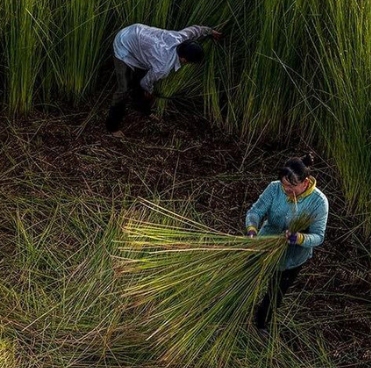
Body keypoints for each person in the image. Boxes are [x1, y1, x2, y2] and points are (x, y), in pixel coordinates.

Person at [244, 153, 329, 335]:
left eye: (291, 186)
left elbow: (318, 236)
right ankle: (237, 309)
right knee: (246, 280)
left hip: (292, 258)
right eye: (284, 185)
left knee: (275, 293)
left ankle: (261, 323)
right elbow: (255, 211)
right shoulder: (274, 188)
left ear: (305, 183)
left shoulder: (319, 202)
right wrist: (252, 229)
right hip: (264, 245)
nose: (286, 189)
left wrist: (299, 238)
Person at [105, 23, 223, 133]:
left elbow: (195, 30)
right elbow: (145, 82)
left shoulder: (181, 37)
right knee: (124, 88)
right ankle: (112, 126)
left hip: (136, 32)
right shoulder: (163, 66)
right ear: (184, 60)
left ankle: (141, 108)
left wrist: (210, 31)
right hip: (123, 45)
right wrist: (149, 91)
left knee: (139, 77)